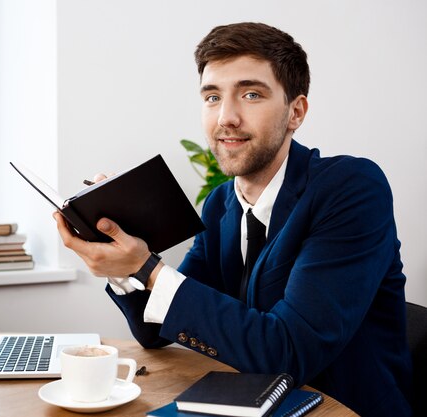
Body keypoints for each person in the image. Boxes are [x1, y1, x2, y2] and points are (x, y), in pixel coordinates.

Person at [53, 22, 412, 417]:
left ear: (296, 112)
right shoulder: (221, 203)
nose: (226, 117)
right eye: (212, 97)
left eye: (251, 94)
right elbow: (154, 332)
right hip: (246, 405)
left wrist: (148, 268)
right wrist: (123, 260)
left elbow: (288, 351)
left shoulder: (352, 189)